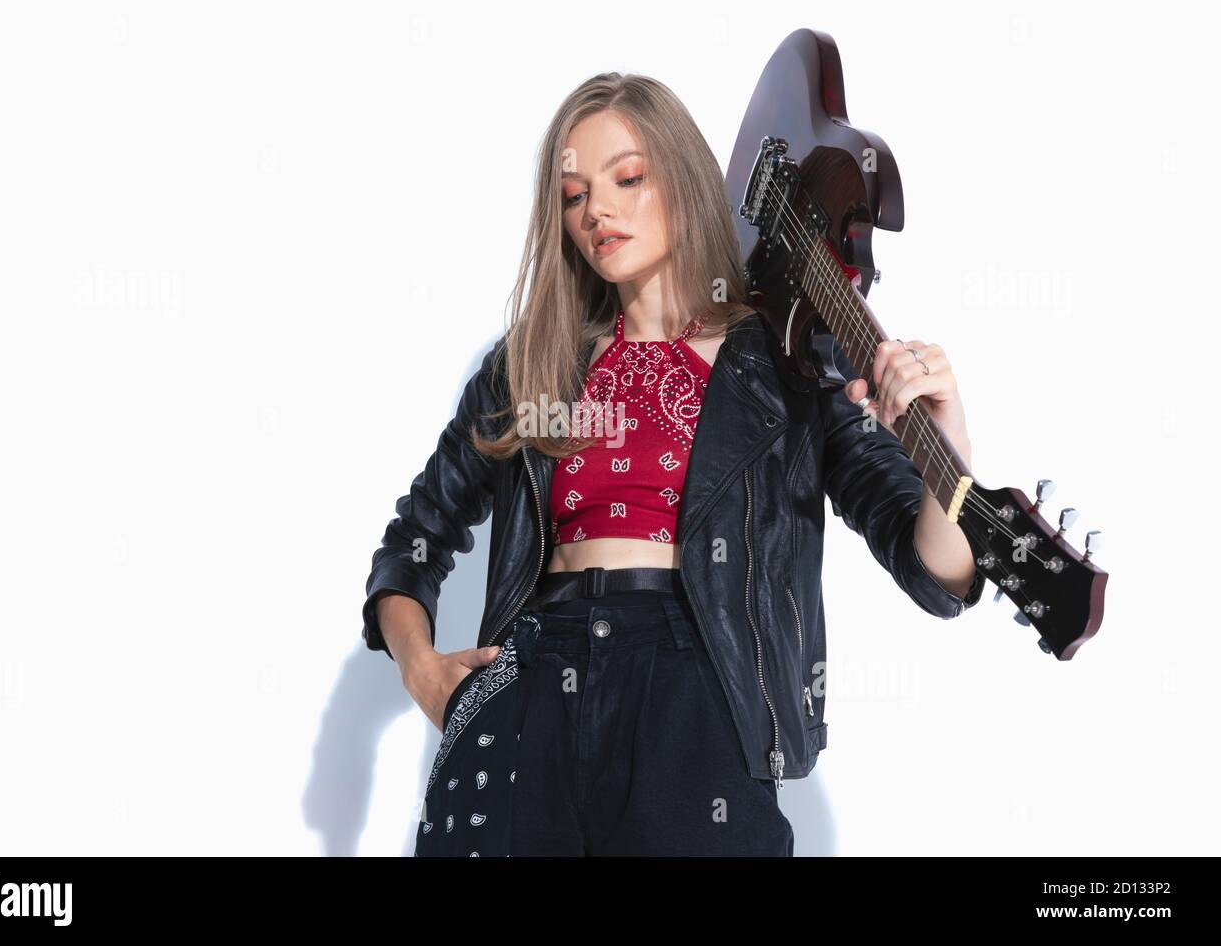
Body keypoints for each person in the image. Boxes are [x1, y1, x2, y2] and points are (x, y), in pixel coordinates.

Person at [362, 72, 985, 856]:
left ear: (687, 181)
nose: (598, 210)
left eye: (627, 178)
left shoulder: (785, 368)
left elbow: (937, 568)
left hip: (697, 691)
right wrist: (421, 668)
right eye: (573, 194)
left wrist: (948, 447)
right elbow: (413, 540)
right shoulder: (530, 366)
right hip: (530, 690)